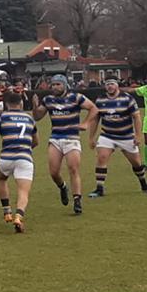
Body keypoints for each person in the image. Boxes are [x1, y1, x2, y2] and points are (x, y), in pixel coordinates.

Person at [32, 75, 99, 216]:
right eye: (53, 84)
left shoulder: (76, 97)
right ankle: (62, 187)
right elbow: (37, 117)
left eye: (58, 84)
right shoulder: (48, 100)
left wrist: (86, 123)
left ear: (65, 85)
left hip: (72, 139)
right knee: (54, 172)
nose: (55, 87)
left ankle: (77, 200)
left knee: (73, 169)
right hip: (55, 139)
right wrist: (34, 106)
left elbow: (94, 108)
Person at [88, 79, 147, 197]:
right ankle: (99, 188)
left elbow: (136, 117)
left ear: (117, 85)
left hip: (126, 136)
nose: (110, 86)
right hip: (107, 135)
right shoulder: (100, 100)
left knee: (136, 163)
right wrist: (91, 137)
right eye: (107, 84)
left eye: (112, 84)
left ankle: (144, 183)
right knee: (101, 158)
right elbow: (95, 119)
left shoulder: (127, 98)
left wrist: (138, 135)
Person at [0, 92, 37, 233]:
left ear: (6, 104)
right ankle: (18, 216)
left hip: (5, 158)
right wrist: (25, 148)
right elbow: (36, 141)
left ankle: (7, 211)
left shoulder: (1, 117)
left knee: (2, 179)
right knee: (23, 191)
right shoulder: (29, 118)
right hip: (24, 159)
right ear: (21, 103)